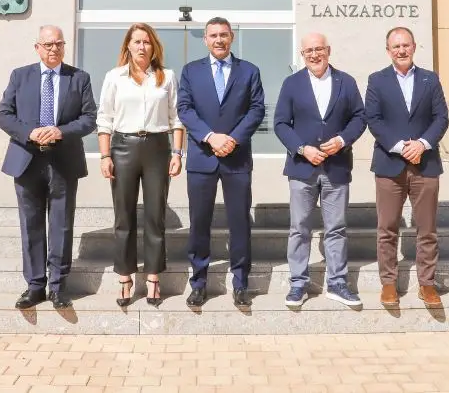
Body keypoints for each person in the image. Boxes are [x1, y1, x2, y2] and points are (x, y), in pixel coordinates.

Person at [0, 24, 97, 310]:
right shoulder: (20, 76)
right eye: (48, 44)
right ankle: (35, 285)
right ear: (37, 47)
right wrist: (30, 132)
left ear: (64, 46)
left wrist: (60, 130)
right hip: (26, 159)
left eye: (59, 44)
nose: (54, 49)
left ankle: (58, 286)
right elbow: (3, 115)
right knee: (31, 225)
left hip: (63, 160)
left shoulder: (79, 78)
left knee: (61, 225)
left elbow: (89, 119)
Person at [273, 32, 367, 309]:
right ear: (302, 55)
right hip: (302, 168)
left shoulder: (346, 82)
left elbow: (359, 117)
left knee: (336, 228)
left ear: (329, 50)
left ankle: (337, 283)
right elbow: (280, 123)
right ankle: (298, 283)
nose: (314, 55)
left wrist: (341, 140)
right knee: (299, 228)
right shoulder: (292, 84)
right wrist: (302, 148)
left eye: (319, 49)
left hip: (336, 167)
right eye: (308, 51)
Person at [177, 17, 266, 308]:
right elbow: (185, 109)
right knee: (199, 223)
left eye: (224, 35)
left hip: (237, 158)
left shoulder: (249, 71)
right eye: (213, 35)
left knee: (240, 222)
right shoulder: (191, 71)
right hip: (202, 158)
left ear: (232, 38)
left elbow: (256, 110)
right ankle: (199, 282)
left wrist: (233, 139)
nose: (219, 40)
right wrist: (210, 137)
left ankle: (241, 282)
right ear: (205, 39)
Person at [96, 23, 185, 307]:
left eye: (147, 41)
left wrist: (177, 153)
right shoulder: (114, 77)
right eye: (136, 41)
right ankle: (124, 278)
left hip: (158, 148)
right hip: (123, 148)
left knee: (155, 217)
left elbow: (177, 119)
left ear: (154, 46)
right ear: (128, 46)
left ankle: (153, 279)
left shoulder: (167, 77)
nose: (142, 46)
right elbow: (104, 119)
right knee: (124, 217)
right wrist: (105, 155)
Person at [364, 26, 449, 310]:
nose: (401, 50)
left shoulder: (430, 79)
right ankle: (389, 284)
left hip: (425, 164)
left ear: (414, 47)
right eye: (395, 46)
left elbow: (441, 118)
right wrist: (402, 147)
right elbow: (374, 120)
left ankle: (427, 284)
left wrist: (422, 144)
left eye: (406, 45)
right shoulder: (377, 81)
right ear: (388, 51)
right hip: (390, 164)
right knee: (387, 228)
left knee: (427, 229)